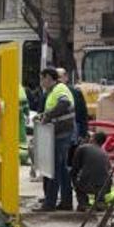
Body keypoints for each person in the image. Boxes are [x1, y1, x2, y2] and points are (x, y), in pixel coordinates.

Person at [36, 67, 75, 211]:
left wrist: (48, 116)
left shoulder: (59, 89)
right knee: (62, 170)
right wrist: (44, 116)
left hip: (61, 134)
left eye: (42, 78)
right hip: (59, 133)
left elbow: (64, 104)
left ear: (48, 78)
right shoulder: (53, 91)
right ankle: (66, 201)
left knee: (53, 169)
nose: (41, 82)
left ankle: (50, 203)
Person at [71, 131, 111, 211]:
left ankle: (83, 203)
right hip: (105, 186)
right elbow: (108, 169)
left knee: (74, 176)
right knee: (101, 178)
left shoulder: (82, 147)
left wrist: (73, 179)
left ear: (93, 139)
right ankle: (100, 201)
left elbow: (75, 167)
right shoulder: (105, 153)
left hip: (88, 184)